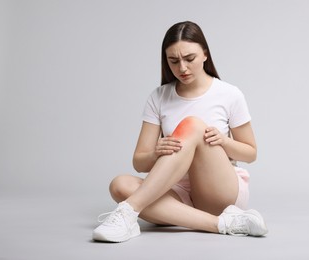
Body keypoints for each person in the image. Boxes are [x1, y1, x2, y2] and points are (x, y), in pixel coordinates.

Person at [92, 21, 268, 242]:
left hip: (219, 191)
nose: (182, 68)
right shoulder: (159, 97)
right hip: (178, 192)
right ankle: (223, 224)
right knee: (119, 185)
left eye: (189, 59)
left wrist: (223, 142)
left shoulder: (229, 94)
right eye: (173, 61)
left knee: (193, 124)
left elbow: (251, 153)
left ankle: (128, 211)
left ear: (205, 54)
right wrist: (157, 152)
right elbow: (139, 163)